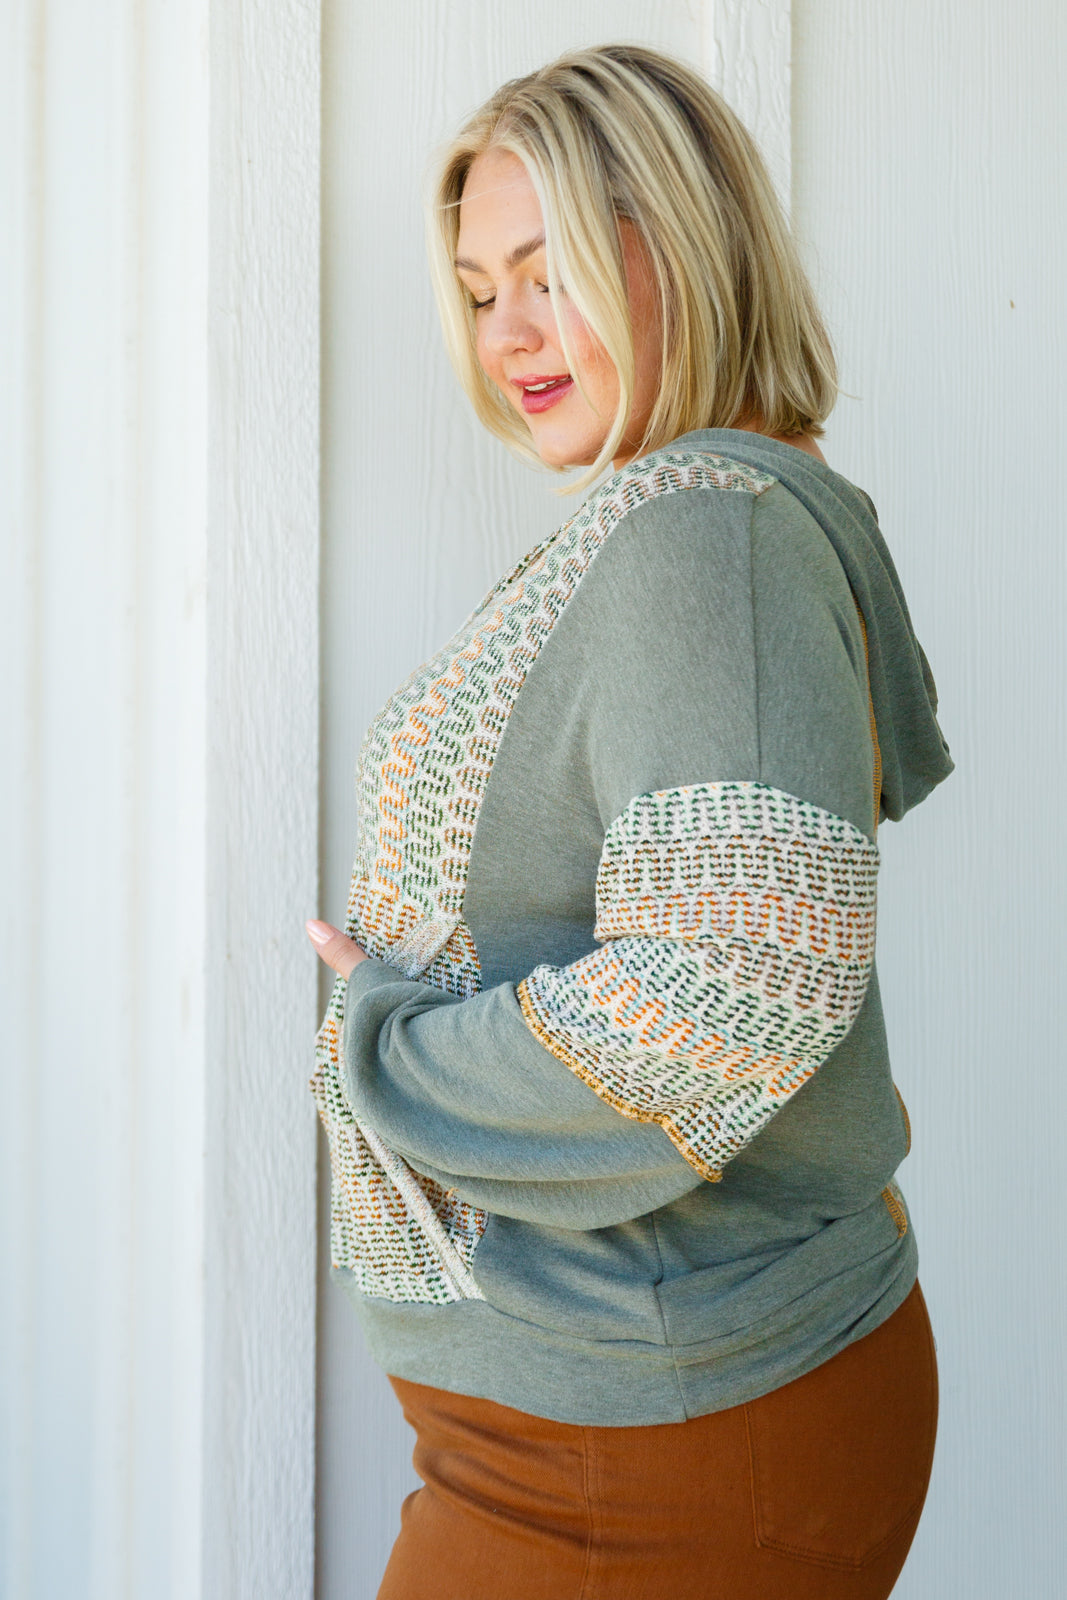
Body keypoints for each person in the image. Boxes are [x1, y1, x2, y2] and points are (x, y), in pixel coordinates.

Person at [306, 43, 953, 1600]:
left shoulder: (704, 540)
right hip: (622, 1412)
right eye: (482, 290)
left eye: (550, 274)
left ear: (682, 246)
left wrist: (382, 1045)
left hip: (649, 1441)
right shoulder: (693, 522)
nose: (507, 333)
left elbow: (734, 986)